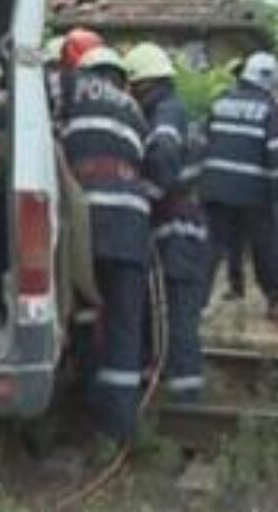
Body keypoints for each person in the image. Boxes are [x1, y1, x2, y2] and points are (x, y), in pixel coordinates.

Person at [60, 35, 151, 443]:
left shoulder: (69, 87)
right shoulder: (135, 111)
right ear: (121, 78)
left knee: (82, 312)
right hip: (132, 223)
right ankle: (120, 429)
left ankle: (84, 407)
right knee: (125, 325)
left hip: (86, 224)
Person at [125, 42, 207, 403]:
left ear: (143, 84)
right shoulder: (176, 109)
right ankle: (176, 388)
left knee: (178, 309)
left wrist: (145, 195)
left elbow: (164, 153)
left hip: (176, 224)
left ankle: (186, 400)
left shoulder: (165, 114)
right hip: (185, 221)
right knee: (173, 307)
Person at [200, 51, 278, 322]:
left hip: (214, 190)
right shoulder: (269, 110)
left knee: (211, 247)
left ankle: (193, 303)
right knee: (264, 246)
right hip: (252, 194)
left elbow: (201, 142)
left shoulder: (220, 103)